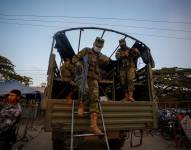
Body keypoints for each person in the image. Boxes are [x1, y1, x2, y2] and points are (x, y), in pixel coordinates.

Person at [72, 37, 110, 134]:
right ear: (93, 44)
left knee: (95, 98)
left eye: (100, 47)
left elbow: (107, 61)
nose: (98, 48)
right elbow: (74, 58)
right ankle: (81, 105)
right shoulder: (86, 51)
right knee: (83, 90)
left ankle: (93, 125)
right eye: (97, 46)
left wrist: (104, 58)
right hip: (83, 76)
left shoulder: (100, 55)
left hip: (94, 79)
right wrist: (78, 63)